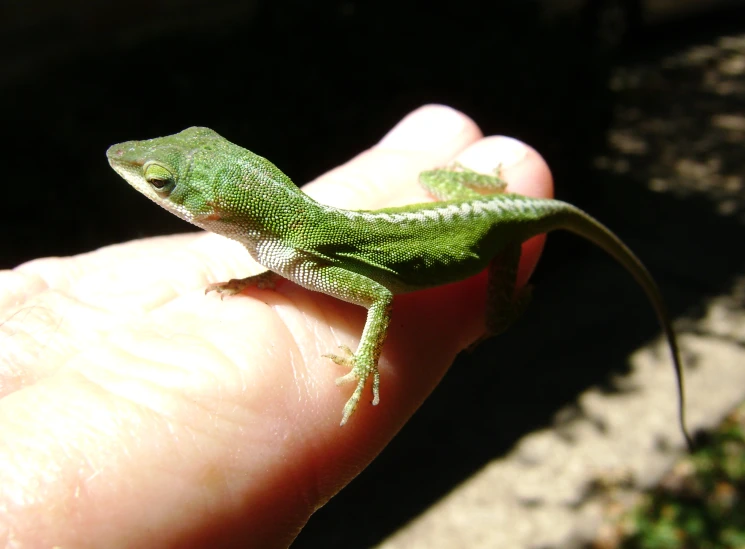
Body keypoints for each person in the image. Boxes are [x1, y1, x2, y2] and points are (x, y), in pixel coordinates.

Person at [0, 105, 553, 548]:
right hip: (453, 215)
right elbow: (293, 257)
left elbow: (379, 295)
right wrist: (264, 277)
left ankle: (519, 292)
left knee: (496, 317)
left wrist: (365, 362)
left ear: (216, 208)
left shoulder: (302, 250)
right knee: (436, 176)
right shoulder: (288, 244)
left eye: (160, 180)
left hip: (498, 236)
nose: (131, 164)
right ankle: (495, 189)